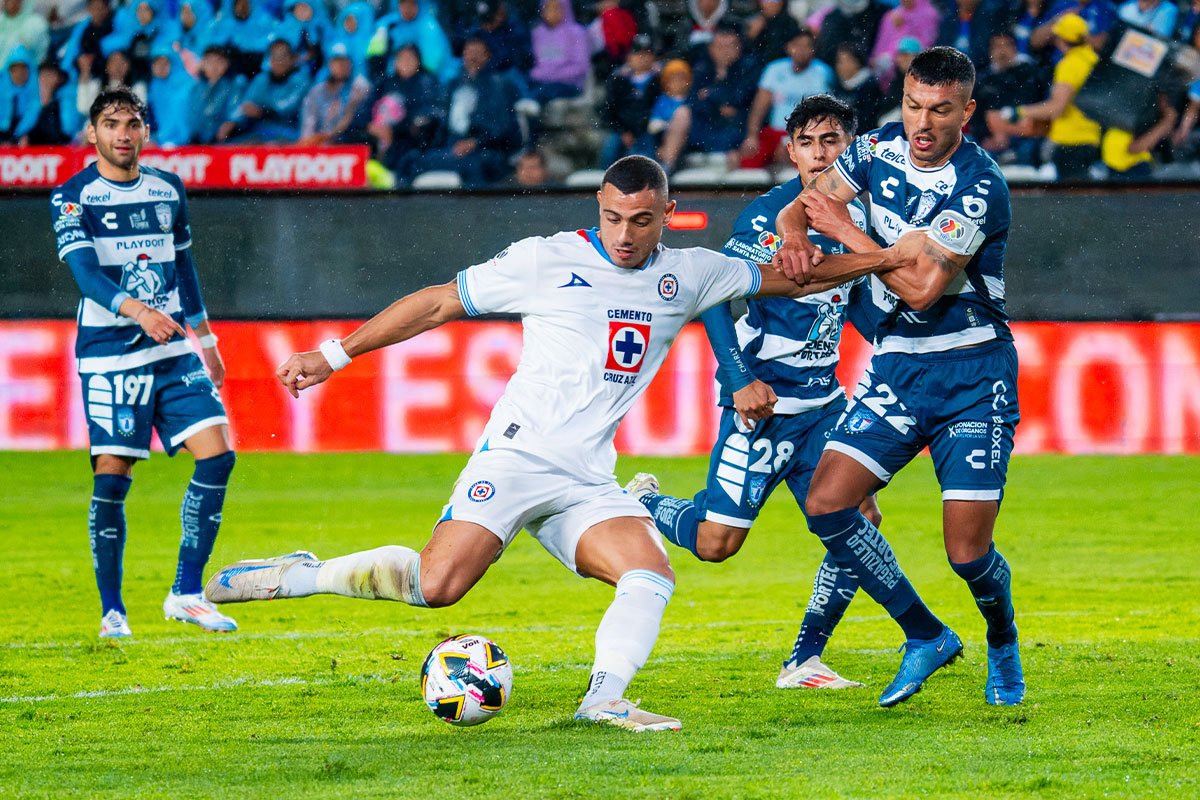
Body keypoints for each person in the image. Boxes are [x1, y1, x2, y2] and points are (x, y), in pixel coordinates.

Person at [205, 154, 885, 731]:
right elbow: (441, 301)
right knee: (436, 587)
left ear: (667, 213)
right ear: (599, 204)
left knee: (649, 576)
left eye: (641, 220)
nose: (624, 234)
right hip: (519, 458)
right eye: (614, 217)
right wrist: (335, 353)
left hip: (587, 479)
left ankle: (605, 698)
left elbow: (798, 276)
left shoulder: (691, 274)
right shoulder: (546, 260)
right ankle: (302, 574)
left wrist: (884, 259)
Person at [771, 46, 1024, 708]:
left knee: (967, 554)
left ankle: (1001, 641)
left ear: (966, 112)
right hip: (898, 368)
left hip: (972, 371)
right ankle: (926, 635)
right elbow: (805, 203)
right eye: (914, 105)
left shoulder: (979, 185)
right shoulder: (876, 150)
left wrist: (850, 235)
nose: (922, 122)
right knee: (828, 503)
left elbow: (921, 289)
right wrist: (796, 232)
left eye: (940, 110)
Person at [628, 94, 889, 691]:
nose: (821, 155)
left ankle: (804, 660)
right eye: (809, 143)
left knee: (859, 522)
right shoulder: (768, 216)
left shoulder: (862, 223)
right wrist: (740, 377)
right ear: (791, 151)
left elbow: (854, 310)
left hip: (824, 406)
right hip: (764, 406)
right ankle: (647, 502)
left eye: (833, 142)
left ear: (852, 148)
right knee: (717, 545)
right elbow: (715, 292)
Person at [50, 86, 237, 639]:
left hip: (174, 346)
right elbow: (86, 275)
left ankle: (185, 591)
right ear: (93, 134)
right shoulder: (72, 196)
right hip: (110, 353)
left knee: (219, 455)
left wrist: (206, 337)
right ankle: (113, 610)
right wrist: (138, 311)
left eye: (132, 124)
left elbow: (183, 268)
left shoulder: (167, 189)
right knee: (114, 475)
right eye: (111, 124)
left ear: (145, 132)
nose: (123, 134)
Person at [987, 13, 1099, 179]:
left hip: (1071, 141)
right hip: (1091, 137)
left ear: (1060, 39)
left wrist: (1018, 112)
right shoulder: (1092, 59)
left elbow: (1057, 107)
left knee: (1073, 200)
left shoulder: (1069, 65)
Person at [741, 27, 833, 168]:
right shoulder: (775, 69)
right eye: (797, 45)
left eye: (807, 46)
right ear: (788, 47)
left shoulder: (823, 72)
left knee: (811, 167)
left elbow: (827, 114)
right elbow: (759, 106)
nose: (801, 50)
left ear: (813, 50)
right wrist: (752, 136)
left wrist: (793, 141)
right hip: (775, 133)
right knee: (748, 162)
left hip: (807, 135)